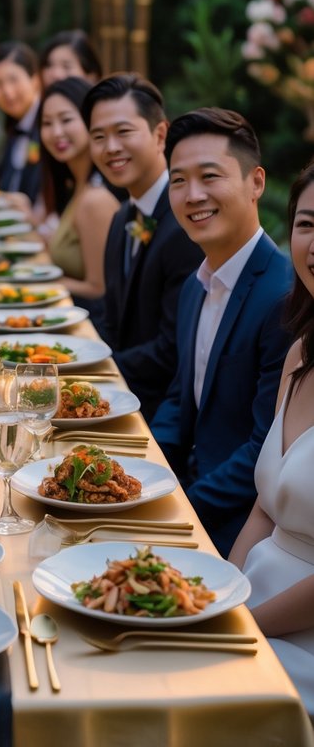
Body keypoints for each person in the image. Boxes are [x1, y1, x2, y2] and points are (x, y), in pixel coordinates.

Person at [151, 108, 293, 556]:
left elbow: (264, 447)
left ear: (256, 183)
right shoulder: (198, 284)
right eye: (178, 180)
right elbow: (180, 399)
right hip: (189, 489)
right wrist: (140, 477)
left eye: (209, 176)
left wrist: (179, 510)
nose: (193, 195)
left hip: (242, 525)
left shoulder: (283, 296)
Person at [229, 160, 314, 715]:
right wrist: (219, 592)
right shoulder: (300, 353)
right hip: (254, 597)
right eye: (308, 224)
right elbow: (265, 507)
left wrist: (245, 631)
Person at [82, 73, 203, 420]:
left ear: (160, 134)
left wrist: (92, 372)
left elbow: (172, 348)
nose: (111, 148)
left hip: (158, 411)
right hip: (117, 398)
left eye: (123, 132)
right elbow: (112, 317)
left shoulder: (185, 221)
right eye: (98, 137)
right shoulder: (123, 217)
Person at [38, 77, 119, 319]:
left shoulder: (96, 199)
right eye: (47, 123)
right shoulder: (76, 186)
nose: (56, 132)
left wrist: (35, 284)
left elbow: (99, 289)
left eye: (66, 119)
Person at [0, 41, 43, 205]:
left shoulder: (49, 125)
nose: (7, 92)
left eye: (13, 80)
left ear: (35, 79)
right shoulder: (15, 124)